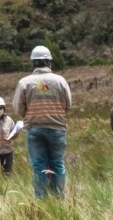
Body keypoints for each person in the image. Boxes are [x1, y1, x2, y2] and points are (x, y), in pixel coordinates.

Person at [12, 45, 71, 198]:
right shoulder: (60, 81)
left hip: (35, 129)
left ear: (33, 63)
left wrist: (29, 114)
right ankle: (59, 196)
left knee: (39, 166)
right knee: (57, 163)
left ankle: (41, 199)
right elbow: (68, 105)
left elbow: (18, 108)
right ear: (49, 62)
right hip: (57, 129)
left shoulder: (25, 82)